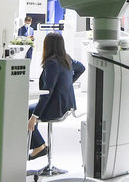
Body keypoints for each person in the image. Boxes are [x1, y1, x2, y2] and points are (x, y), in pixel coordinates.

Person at [28, 32, 86, 160]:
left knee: (25, 112)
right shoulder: (66, 58)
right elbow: (81, 68)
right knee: (29, 110)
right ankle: (39, 145)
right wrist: (66, 84)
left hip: (56, 107)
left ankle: (39, 146)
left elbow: (47, 94)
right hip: (67, 105)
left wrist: (34, 117)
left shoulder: (52, 63)